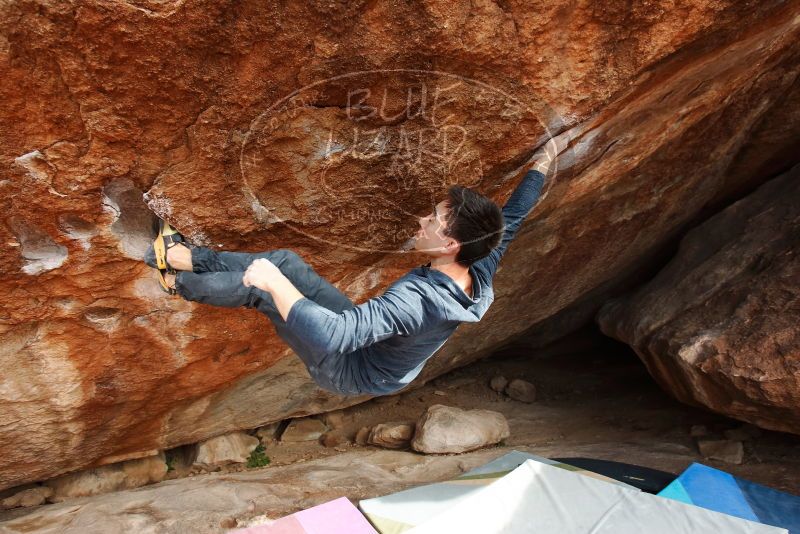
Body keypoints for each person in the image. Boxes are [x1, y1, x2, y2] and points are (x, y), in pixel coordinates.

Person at [145, 135, 568, 396]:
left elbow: (333, 337)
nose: (423, 221)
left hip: (348, 368)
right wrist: (543, 163)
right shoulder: (478, 261)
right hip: (372, 354)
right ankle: (185, 255)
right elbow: (512, 218)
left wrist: (274, 284)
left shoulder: (416, 301)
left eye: (433, 221)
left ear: (450, 243)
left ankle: (175, 279)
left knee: (265, 288)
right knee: (287, 263)